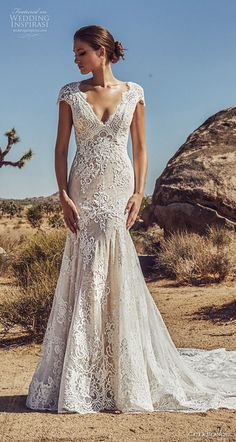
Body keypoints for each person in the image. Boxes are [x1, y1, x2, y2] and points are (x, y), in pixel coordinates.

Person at [26, 24, 236, 415]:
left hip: (118, 185)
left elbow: (140, 147)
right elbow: (59, 149)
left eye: (81, 51)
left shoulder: (135, 92)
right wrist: (63, 196)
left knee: (114, 267)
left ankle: (120, 371)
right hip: (84, 187)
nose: (75, 58)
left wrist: (139, 192)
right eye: (75, 53)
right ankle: (82, 374)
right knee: (86, 268)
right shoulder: (70, 94)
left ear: (101, 51)